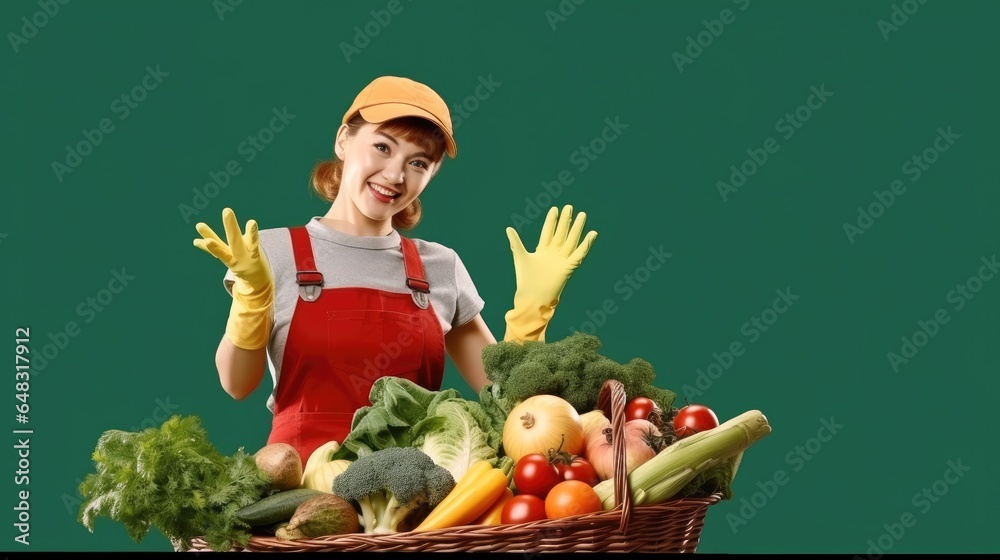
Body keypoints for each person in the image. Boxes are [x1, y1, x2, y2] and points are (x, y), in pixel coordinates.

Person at [193, 76, 597, 463]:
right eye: (383, 147)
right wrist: (252, 298)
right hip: (300, 499)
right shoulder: (269, 251)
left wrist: (531, 312)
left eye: (418, 162)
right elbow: (236, 383)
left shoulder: (440, 267)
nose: (395, 175)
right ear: (343, 140)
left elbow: (509, 404)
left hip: (414, 513)